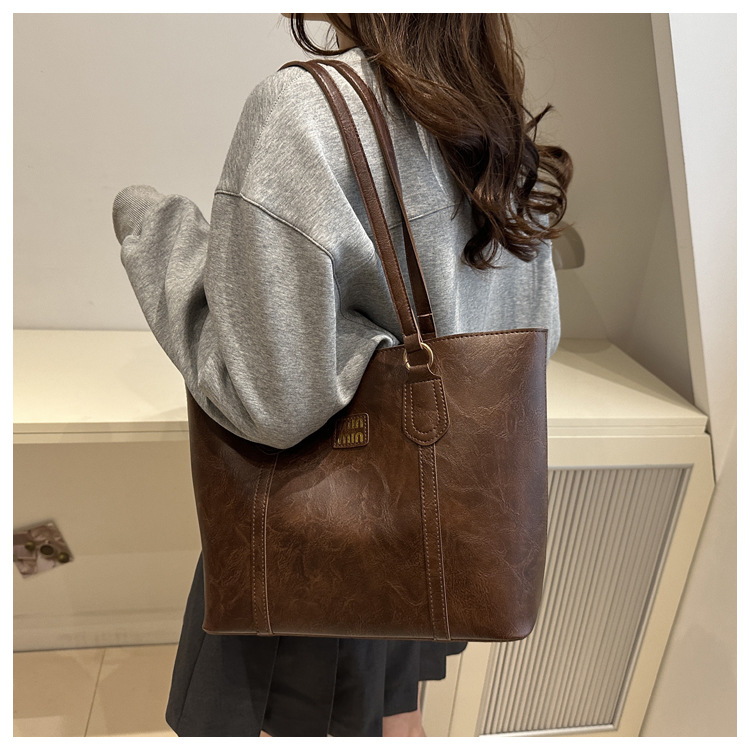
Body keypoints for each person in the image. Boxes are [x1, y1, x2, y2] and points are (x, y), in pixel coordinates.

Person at [111, 12, 571, 738]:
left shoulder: (303, 110)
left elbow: (270, 402)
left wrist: (158, 236)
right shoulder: (490, 118)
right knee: (395, 724)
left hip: (316, 542)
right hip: (438, 532)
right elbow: (526, 349)